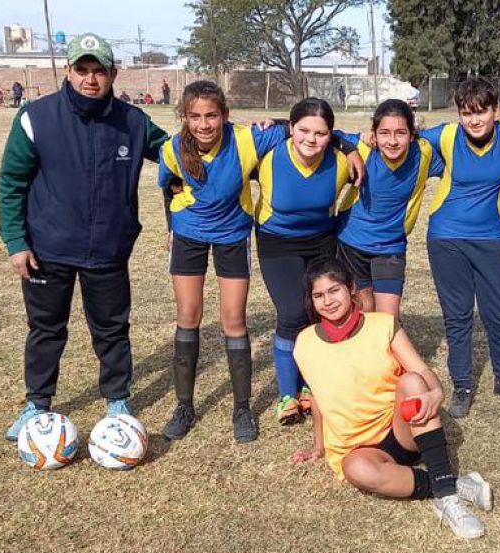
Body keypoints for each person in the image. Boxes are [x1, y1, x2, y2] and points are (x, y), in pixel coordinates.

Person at [0, 33, 169, 440]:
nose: (90, 79)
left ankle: (117, 402)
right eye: (82, 69)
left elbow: (176, 152)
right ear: (69, 71)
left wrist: (249, 134)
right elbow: (12, 182)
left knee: (112, 328)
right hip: (48, 248)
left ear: (113, 73)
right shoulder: (35, 117)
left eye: (98, 71)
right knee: (46, 329)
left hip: (108, 249)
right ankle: (37, 403)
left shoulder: (133, 121)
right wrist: (16, 242)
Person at [291, 258, 493, 539]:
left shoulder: (383, 324)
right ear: (311, 301)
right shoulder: (304, 343)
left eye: (334, 290)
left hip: (400, 430)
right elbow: (319, 396)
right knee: (356, 470)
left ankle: (446, 498)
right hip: (360, 449)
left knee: (411, 381)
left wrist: (437, 392)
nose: (328, 301)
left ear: (351, 289)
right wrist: (319, 446)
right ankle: (451, 483)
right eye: (318, 295)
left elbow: (420, 368)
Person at [156, 81, 288, 443]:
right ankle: (184, 406)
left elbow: (301, 125)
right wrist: (171, 228)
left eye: (211, 115)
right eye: (195, 116)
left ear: (225, 115)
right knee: (188, 315)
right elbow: (169, 188)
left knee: (233, 318)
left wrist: (270, 119)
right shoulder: (171, 149)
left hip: (232, 235)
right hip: (188, 234)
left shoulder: (246, 139)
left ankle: (242, 408)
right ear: (185, 117)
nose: (203, 124)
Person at [414, 77, 500, 417]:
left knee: (499, 312)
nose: (475, 120)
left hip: (493, 237)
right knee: (458, 317)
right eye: (467, 113)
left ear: (497, 111)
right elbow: (400, 134)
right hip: (447, 237)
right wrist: (357, 141)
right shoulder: (446, 135)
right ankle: (463, 386)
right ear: (459, 114)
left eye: (482, 112)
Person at [255, 97, 362, 425]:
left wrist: (348, 145)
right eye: (303, 130)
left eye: (321, 133)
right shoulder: (269, 146)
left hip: (321, 241)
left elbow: (375, 137)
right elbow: (226, 139)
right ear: (290, 128)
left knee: (320, 312)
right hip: (277, 242)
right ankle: (288, 395)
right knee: (291, 314)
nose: (311, 139)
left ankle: (311, 387)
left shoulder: (342, 155)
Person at [335, 99, 444, 317]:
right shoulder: (362, 149)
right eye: (384, 133)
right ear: (373, 133)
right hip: (352, 243)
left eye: (400, 133)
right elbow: (323, 129)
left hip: (390, 246)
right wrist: (348, 148)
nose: (392, 141)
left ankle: (390, 350)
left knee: (387, 319)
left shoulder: (424, 153)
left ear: (412, 134)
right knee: (364, 312)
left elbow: (456, 138)